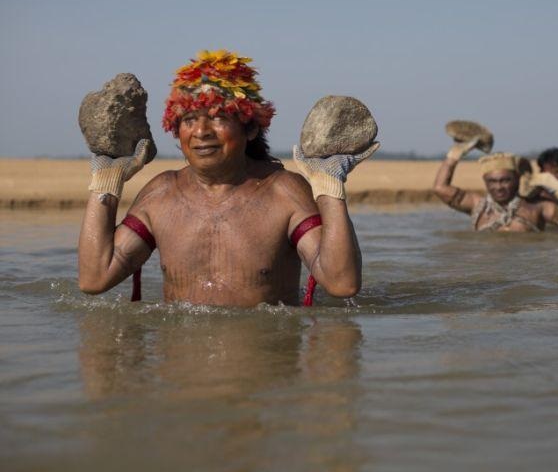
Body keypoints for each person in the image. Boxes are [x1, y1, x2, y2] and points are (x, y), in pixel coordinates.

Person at [78, 49, 378, 307]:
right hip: (180, 373)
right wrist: (105, 182)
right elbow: (94, 278)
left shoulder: (284, 193)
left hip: (264, 370)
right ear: (176, 129)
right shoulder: (161, 194)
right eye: (189, 119)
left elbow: (342, 284)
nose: (201, 131)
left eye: (219, 117)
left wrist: (330, 189)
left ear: (250, 129)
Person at [433, 138, 558, 231]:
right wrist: (453, 156)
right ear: (485, 181)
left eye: (505, 180)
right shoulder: (476, 204)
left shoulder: (537, 207)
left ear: (518, 179)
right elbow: (440, 188)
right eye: (492, 181)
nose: (499, 187)